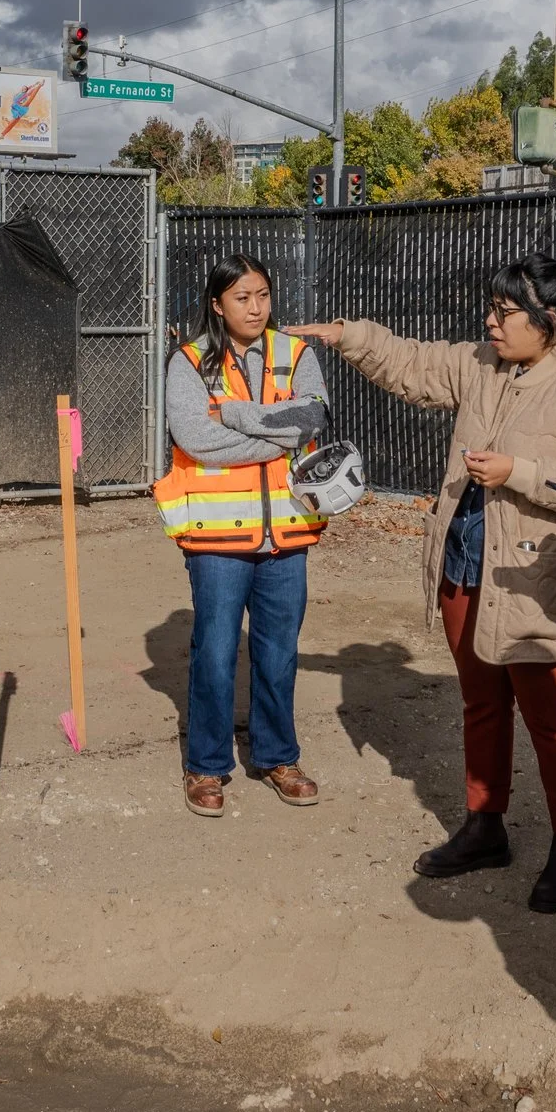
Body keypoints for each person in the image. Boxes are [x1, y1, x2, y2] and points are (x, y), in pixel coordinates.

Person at [292, 246, 556, 914]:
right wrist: (348, 336)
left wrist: (519, 472)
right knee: (480, 701)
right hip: (465, 564)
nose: (492, 322)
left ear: (550, 318)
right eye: (494, 310)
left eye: (506, 312)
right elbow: (413, 363)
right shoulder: (481, 363)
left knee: (552, 718)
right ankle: (485, 825)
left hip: (536, 578)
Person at [155, 252, 331, 817]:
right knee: (214, 653)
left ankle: (277, 756)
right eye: (241, 298)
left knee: (279, 652)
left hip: (286, 532)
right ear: (217, 304)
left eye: (262, 295)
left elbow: (312, 418)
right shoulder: (187, 362)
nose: (255, 308)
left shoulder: (295, 353)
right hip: (216, 536)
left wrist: (232, 415)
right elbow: (193, 438)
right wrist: (276, 433)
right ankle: (206, 767)